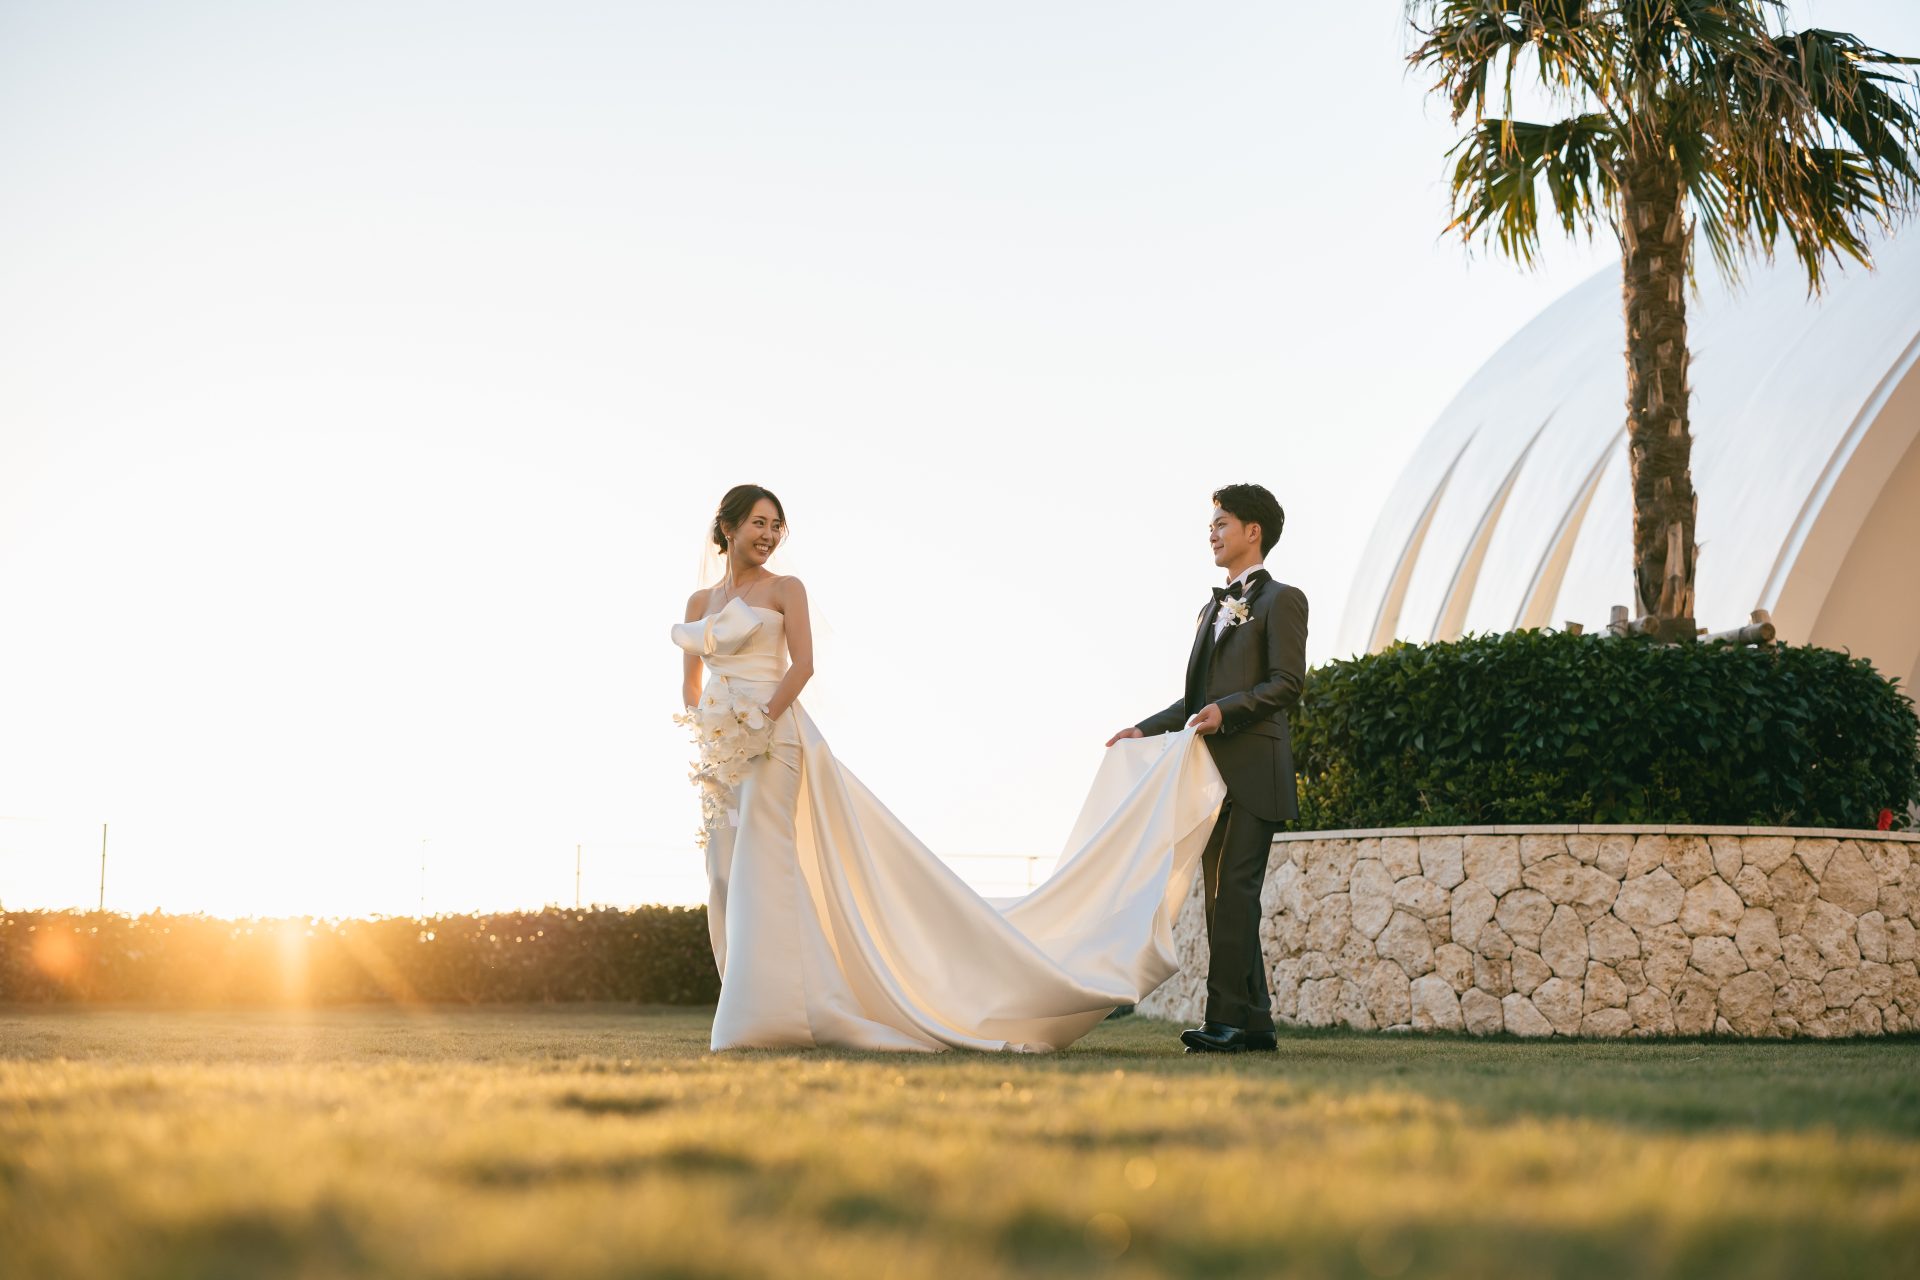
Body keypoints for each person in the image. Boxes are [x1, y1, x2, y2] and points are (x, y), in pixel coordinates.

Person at [668, 483, 1259, 1053]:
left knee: (766, 863)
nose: (769, 534)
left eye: (777, 525)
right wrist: (709, 731)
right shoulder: (700, 604)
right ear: (728, 527)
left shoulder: (785, 589)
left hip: (775, 741)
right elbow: (691, 687)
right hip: (722, 754)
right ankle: (755, 1001)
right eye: (759, 523)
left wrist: (761, 719)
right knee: (724, 869)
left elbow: (802, 666)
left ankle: (772, 1012)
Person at [1107, 483, 1308, 1052]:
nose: (1212, 534)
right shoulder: (1211, 610)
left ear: (1253, 532)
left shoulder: (1283, 600)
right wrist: (1144, 728)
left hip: (1256, 772)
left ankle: (1224, 1021)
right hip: (1209, 779)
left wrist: (1230, 711)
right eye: (1210, 526)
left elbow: (1287, 683)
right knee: (1222, 898)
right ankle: (1257, 1023)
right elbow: (1195, 701)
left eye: (1222, 523)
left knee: (1234, 895)